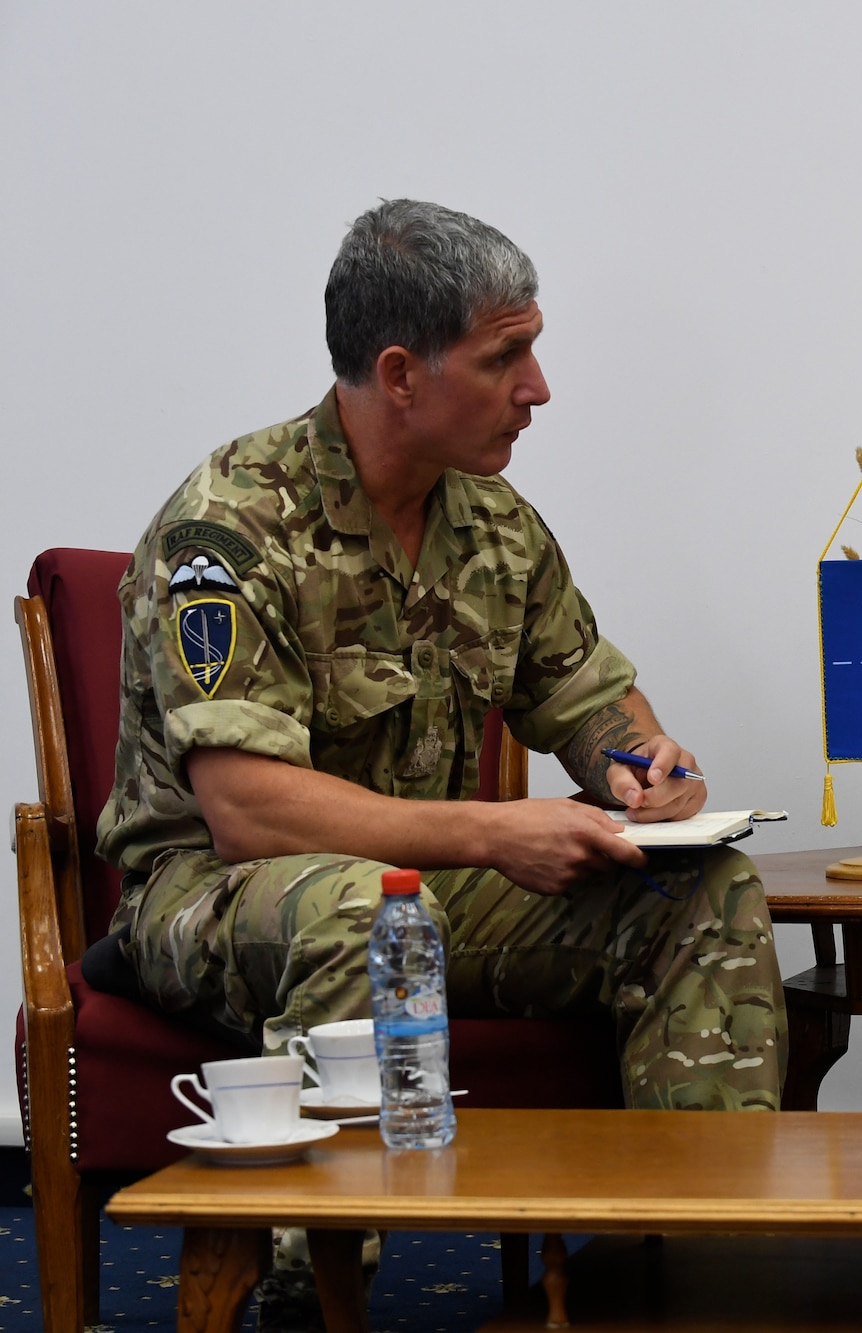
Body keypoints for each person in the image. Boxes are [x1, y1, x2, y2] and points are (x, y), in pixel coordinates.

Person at [97, 200, 788, 1323]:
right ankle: (305, 1288)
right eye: (506, 355)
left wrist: (647, 772)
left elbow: (596, 705)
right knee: (356, 908)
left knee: (697, 891)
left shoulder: (496, 529)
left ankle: (695, 1267)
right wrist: (492, 832)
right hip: (213, 902)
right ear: (401, 373)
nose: (539, 387)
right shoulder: (228, 528)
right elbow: (245, 811)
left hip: (420, 894)